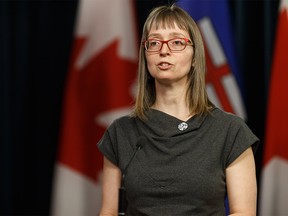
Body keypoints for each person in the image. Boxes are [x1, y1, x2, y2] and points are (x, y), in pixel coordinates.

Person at [97, 4, 259, 216]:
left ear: (194, 57)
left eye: (176, 42)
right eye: (154, 43)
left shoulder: (231, 132)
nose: (164, 50)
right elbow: (108, 212)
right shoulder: (120, 132)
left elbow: (244, 212)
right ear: (146, 55)